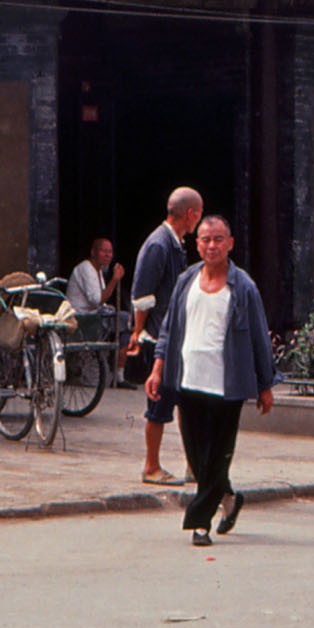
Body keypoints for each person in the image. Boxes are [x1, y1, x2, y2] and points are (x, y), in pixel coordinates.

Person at [144, 215, 276, 547]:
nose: (212, 245)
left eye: (218, 239)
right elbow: (169, 328)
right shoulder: (186, 279)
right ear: (197, 243)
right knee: (195, 451)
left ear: (230, 243)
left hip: (227, 384)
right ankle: (228, 497)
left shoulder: (243, 286)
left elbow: (260, 337)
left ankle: (199, 523)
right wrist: (158, 369)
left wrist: (265, 384)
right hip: (187, 379)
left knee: (217, 454)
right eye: (205, 239)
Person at [128, 187, 204, 485]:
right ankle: (151, 466)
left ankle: (193, 465)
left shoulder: (174, 244)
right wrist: (137, 332)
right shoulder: (158, 245)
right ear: (191, 214)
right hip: (160, 338)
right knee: (158, 404)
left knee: (186, 402)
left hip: (175, 337)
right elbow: (142, 297)